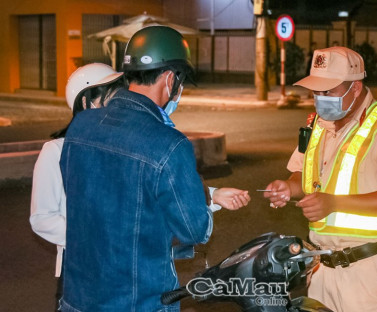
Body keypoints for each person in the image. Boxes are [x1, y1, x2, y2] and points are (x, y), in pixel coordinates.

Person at [58, 26, 249, 312]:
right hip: (138, 303)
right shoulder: (169, 144)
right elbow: (193, 230)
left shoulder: (81, 126)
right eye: (180, 81)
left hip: (77, 299)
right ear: (171, 79)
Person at [264, 46, 377, 312]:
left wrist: (335, 203)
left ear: (355, 88)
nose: (320, 98)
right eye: (316, 91)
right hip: (321, 266)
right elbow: (304, 175)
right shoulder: (317, 125)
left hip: (368, 271)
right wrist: (287, 187)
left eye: (329, 92)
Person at [30, 63, 125, 311]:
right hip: (80, 273)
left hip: (124, 267)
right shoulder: (56, 151)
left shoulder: (123, 146)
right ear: (86, 103)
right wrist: (92, 234)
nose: (118, 106)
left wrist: (209, 197)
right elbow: (42, 218)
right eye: (111, 98)